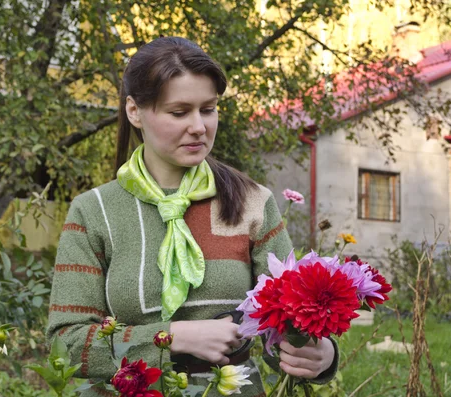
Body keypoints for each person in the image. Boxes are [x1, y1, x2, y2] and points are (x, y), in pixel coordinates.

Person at [46, 37, 338, 397]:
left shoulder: (252, 203)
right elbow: (66, 342)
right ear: (135, 111)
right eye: (179, 112)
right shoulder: (94, 212)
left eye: (209, 109)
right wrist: (173, 338)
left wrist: (318, 354)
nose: (199, 126)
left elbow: (286, 324)